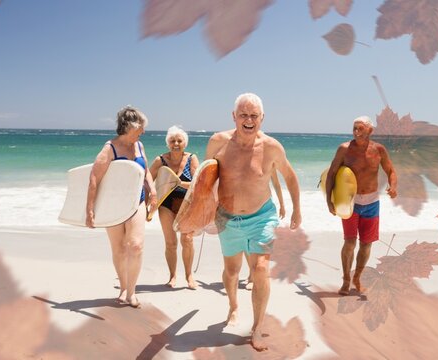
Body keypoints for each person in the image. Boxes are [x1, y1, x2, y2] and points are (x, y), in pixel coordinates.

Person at [205, 93, 301, 351]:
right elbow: (206, 181)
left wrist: (296, 210)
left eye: (254, 116)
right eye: (243, 115)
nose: (249, 120)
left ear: (262, 118)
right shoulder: (217, 142)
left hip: (262, 216)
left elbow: (290, 177)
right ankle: (233, 306)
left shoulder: (271, 147)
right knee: (232, 271)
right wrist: (199, 215)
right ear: (233, 116)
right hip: (227, 217)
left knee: (260, 269)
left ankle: (257, 328)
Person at [86, 106, 157, 308]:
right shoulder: (110, 149)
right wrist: (89, 210)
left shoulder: (139, 146)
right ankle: (124, 287)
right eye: (140, 128)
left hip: (137, 201)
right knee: (119, 249)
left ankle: (132, 292)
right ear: (130, 127)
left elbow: (146, 171)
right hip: (114, 205)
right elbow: (94, 179)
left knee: (135, 245)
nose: (143, 132)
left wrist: (152, 190)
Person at [325, 115, 397, 296]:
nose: (356, 132)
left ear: (370, 131)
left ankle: (357, 276)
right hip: (351, 202)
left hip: (372, 202)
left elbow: (390, 170)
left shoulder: (379, 149)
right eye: (354, 128)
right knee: (349, 242)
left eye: (360, 129)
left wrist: (393, 186)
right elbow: (332, 174)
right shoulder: (344, 149)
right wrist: (329, 200)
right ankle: (346, 280)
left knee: (366, 244)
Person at [148, 125, 200, 290]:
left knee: (187, 240)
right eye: (172, 141)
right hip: (166, 204)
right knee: (171, 243)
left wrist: (178, 183)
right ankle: (172, 276)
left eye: (179, 140)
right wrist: (146, 202)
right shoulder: (160, 160)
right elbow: (147, 182)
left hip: (186, 204)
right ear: (167, 143)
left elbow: (198, 184)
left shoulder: (192, 159)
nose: (176, 143)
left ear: (185, 143)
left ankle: (189, 276)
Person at [244, 172, 286, 291]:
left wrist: (282, 205)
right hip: (243, 207)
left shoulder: (268, 159)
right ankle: (252, 273)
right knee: (246, 244)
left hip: (263, 210)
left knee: (254, 244)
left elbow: (276, 184)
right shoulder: (243, 158)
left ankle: (253, 276)